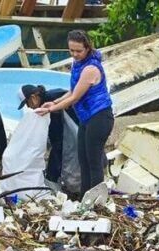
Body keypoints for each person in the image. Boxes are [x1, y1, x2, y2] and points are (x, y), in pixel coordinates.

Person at [36, 30, 114, 197]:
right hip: (86, 118)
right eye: (71, 50)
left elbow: (74, 98)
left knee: (93, 162)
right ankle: (83, 198)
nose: (75, 54)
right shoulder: (77, 64)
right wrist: (55, 102)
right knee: (83, 160)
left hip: (100, 117)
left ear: (87, 48)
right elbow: (71, 90)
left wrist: (51, 109)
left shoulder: (91, 69)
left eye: (79, 51)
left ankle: (96, 200)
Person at [18, 84, 80, 184]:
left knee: (60, 153)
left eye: (27, 103)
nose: (28, 107)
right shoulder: (47, 99)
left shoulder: (50, 100)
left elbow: (57, 138)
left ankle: (53, 180)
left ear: (33, 97)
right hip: (70, 133)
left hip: (75, 131)